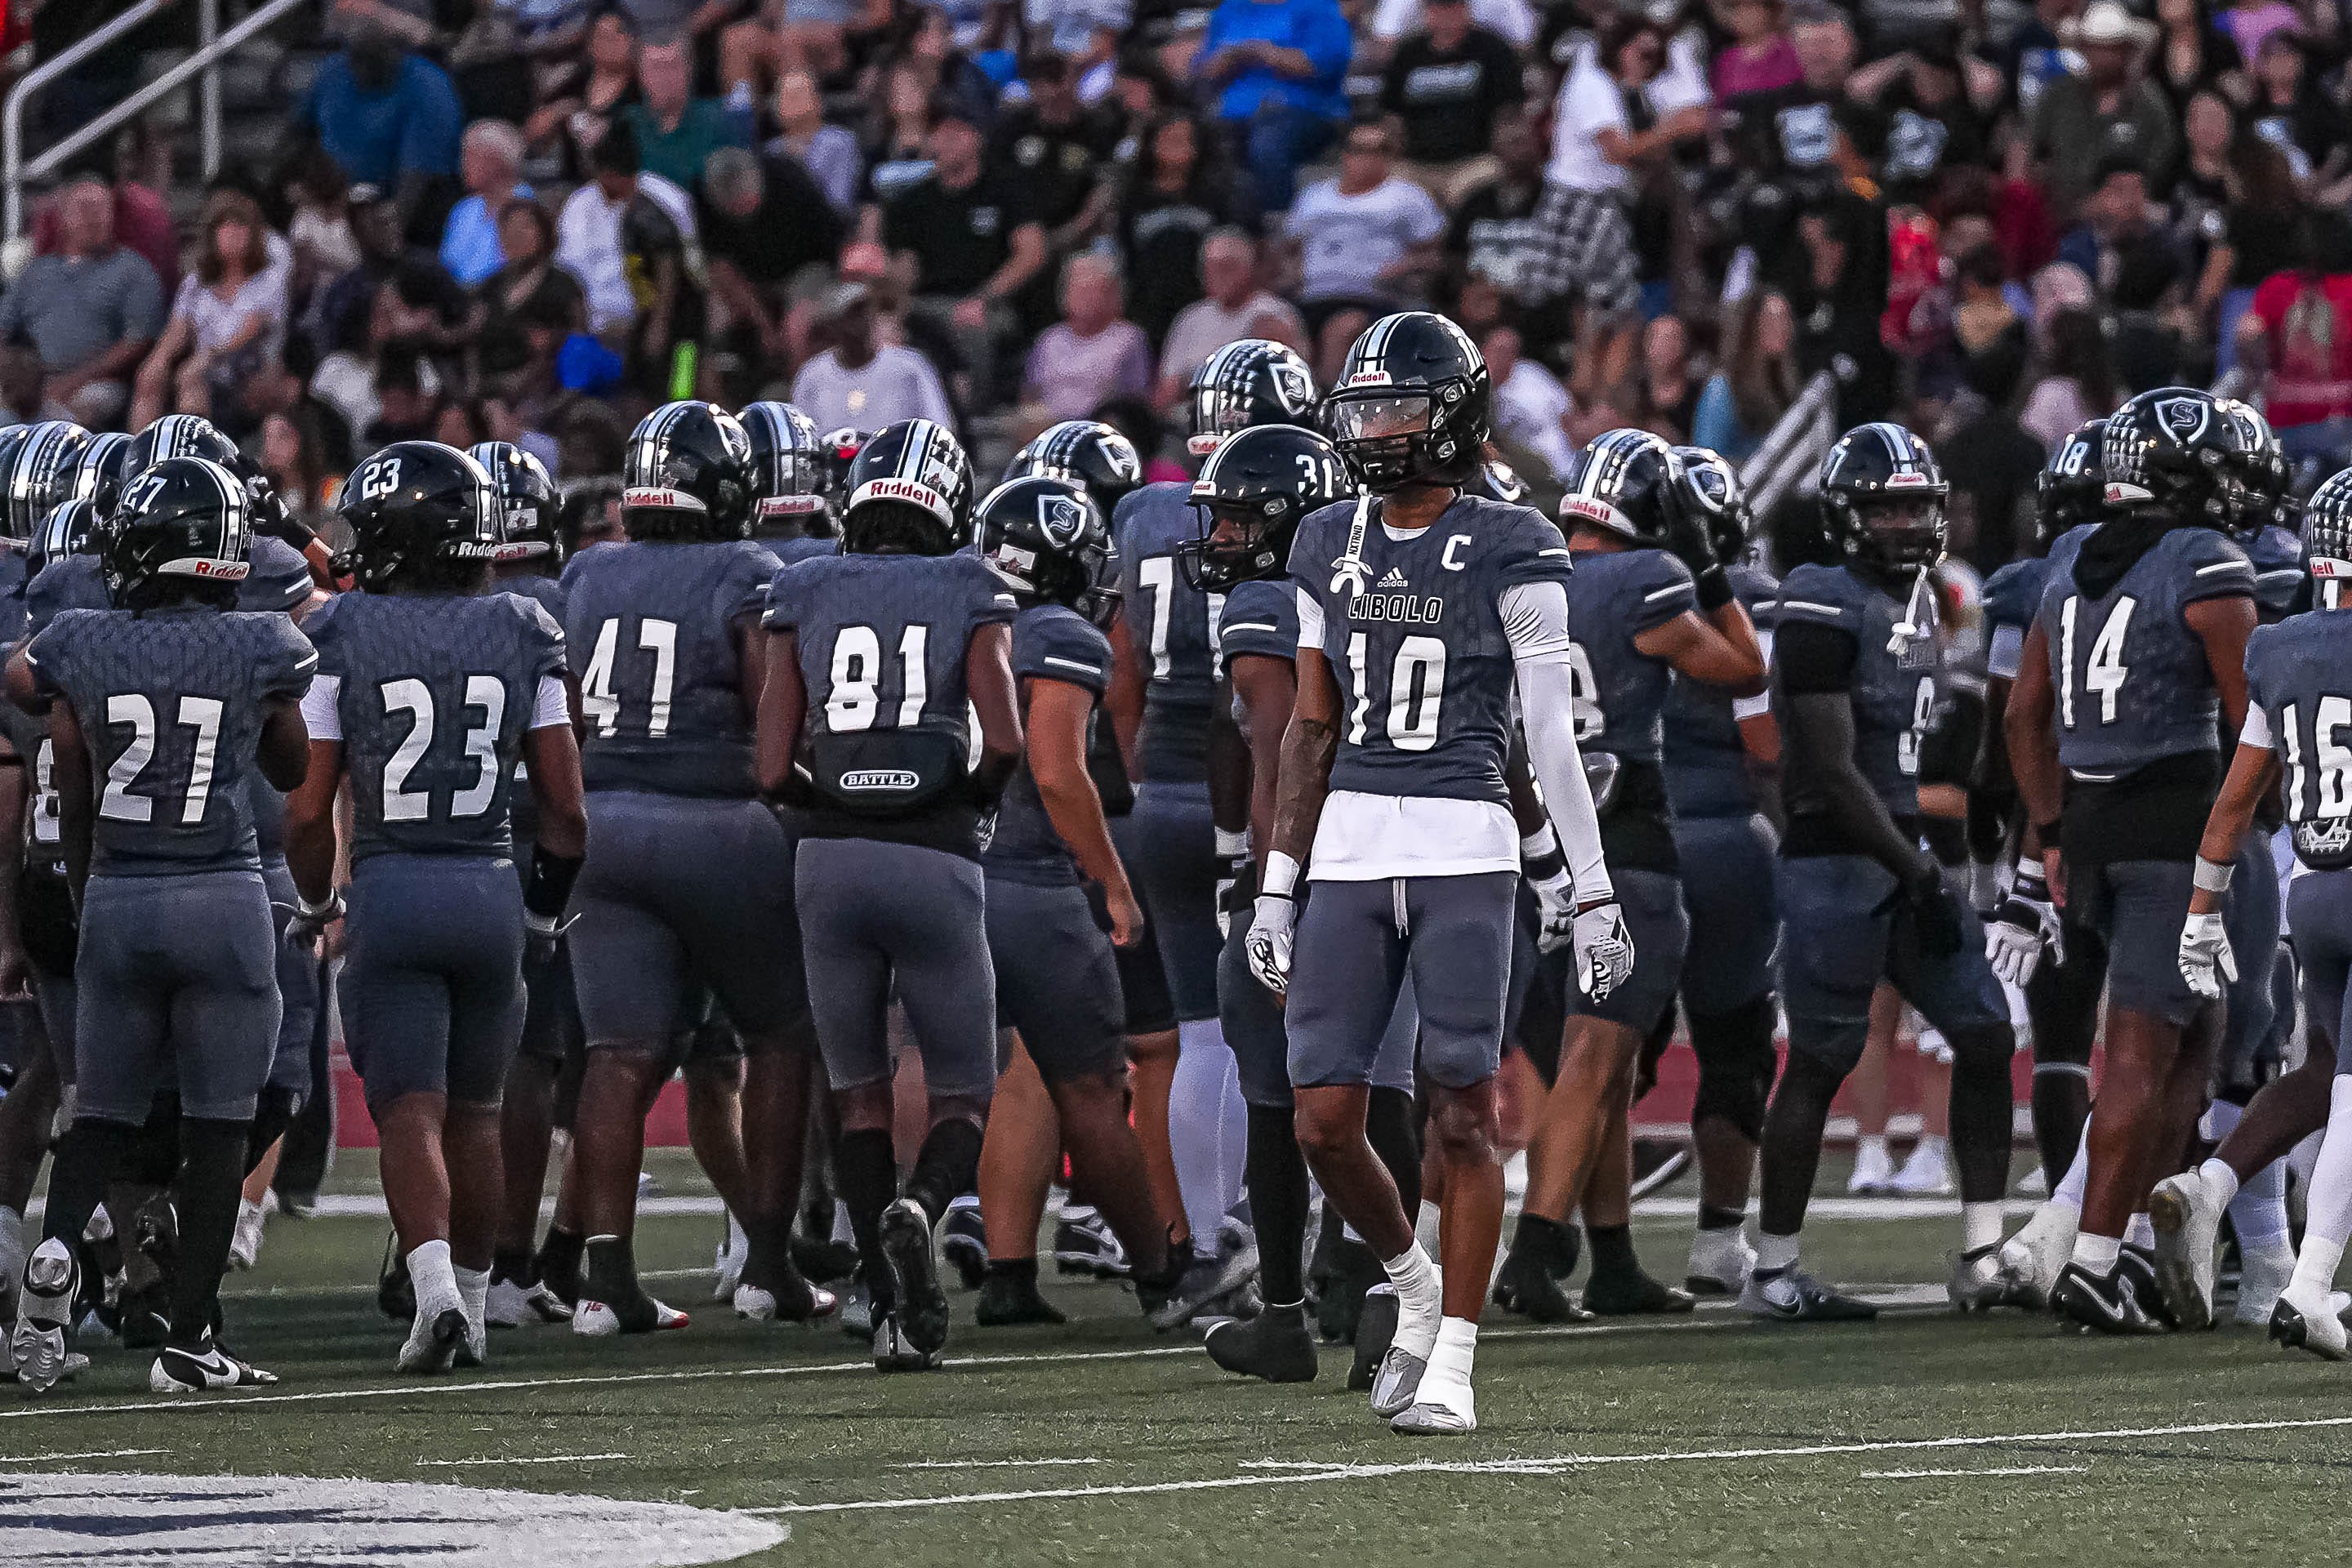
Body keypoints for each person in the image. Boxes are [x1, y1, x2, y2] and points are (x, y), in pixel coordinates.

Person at [1247, 311, 1630, 1433]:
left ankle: (1454, 1360)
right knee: (1323, 1116)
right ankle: (1413, 1283)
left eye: (1397, 408)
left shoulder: (1516, 541)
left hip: (1466, 844)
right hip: (1354, 846)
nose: (1374, 429)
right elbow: (1309, 727)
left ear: (1453, 415)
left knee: (1463, 1115)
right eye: (1362, 409)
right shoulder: (1323, 539)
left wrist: (1588, 884)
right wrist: (1278, 881)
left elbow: (1547, 739)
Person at [5, 456, 314, 1394]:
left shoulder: (82, 638)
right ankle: (190, 1340)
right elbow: (294, 770)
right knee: (220, 1127)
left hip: (117, 899)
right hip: (221, 896)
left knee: (98, 1107)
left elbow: (29, 690)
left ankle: (53, 1264)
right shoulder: (263, 641)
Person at [282, 442, 586, 1374]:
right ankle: (481, 1308)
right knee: (481, 1113)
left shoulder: (340, 635)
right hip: (491, 886)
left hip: (392, 884)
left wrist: (316, 896)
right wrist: (539, 916)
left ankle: (437, 1295)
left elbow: (305, 805)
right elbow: (568, 815)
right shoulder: (524, 625)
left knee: (409, 1111)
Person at [753, 418, 1022, 1370]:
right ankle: (924, 1206)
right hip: (934, 856)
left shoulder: (805, 586)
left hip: (829, 859)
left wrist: (829, 807)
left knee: (859, 1095)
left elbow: (770, 762)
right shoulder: (967, 585)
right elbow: (1008, 741)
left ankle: (888, 1304)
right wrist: (966, 808)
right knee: (965, 1087)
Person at [559, 401, 822, 1336]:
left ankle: (602, 1282)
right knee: (784, 1035)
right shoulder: (748, 569)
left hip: (604, 827)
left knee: (619, 1057)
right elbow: (770, 720)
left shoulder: (588, 570)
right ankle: (769, 1263)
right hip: (718, 825)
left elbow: (570, 714)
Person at [1744, 424, 2018, 1321]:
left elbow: (1916, 748)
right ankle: (1774, 1270)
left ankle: (1983, 1250)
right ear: (1846, 515)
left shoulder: (1924, 602)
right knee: (1821, 1058)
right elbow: (1826, 767)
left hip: (1904, 852)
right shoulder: (1823, 598)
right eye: (1886, 507)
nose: (1905, 523)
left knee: (1982, 1034)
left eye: (1916, 506)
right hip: (1838, 858)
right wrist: (1921, 871)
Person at [2000, 386, 2258, 1331]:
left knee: (2201, 1027)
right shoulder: (2205, 560)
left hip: (2095, 826)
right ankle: (2097, 1260)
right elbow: (2254, 721)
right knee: (2143, 1050)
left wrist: (2052, 832)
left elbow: (2023, 714)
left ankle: (2140, 1243)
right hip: (2173, 826)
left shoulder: (2066, 555)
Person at [1493, 430, 1765, 1323]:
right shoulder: (1648, 579)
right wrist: (1707, 565)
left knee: (1593, 1062)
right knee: (1596, 1054)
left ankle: (1611, 1258)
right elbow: (1742, 666)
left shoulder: (1527, 572)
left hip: (1535, 839)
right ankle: (1536, 1250)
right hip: (1624, 837)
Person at [1107, 337, 1317, 1318]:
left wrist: (1147, 770)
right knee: (1277, 1036)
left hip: (1167, 787)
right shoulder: (1306, 507)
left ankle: (1209, 1244)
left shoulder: (1144, 513)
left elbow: (1122, 676)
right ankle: (1273, 1234)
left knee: (1200, 1031)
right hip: (1261, 779)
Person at [1183, 422, 1396, 1383]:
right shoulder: (1379, 585)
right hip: (1397, 854)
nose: (1221, 539)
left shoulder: (1271, 604)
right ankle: (1388, 1295)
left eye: (1236, 521)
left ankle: (1285, 1312)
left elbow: (1283, 750)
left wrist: (1273, 882)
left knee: (1280, 1100)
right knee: (1387, 1091)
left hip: (1312, 870)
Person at [966, 474, 1183, 1325]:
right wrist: (1113, 881)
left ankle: (1001, 1272)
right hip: (1030, 882)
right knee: (1093, 1086)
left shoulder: (955, 607)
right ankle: (1164, 1277)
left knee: (984, 1079)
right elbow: (1056, 771)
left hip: (946, 868)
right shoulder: (1058, 633)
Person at [2200, 470, 2352, 1356]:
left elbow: (2235, 800)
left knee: (2337, 1082)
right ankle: (2310, 1282)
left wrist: (2199, 912)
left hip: (2313, 884)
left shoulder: (2282, 645)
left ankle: (2312, 1276)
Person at [1655, 448, 1783, 1294]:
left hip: (1616, 837)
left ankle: (1564, 1240)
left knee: (1601, 1053)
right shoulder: (1752, 600)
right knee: (1736, 1045)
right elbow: (1766, 736)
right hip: (1726, 836)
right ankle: (1716, 1240)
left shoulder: (1585, 590)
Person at [1284, 121, 1446, 383]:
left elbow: (1434, 255)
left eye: (1378, 150)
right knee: (1275, 327)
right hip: (1310, 294)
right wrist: (1293, 274)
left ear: (1390, 156)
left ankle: (1328, 407)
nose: (1367, 158)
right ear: (1345, 154)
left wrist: (1399, 268)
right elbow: (1289, 249)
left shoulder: (1406, 197)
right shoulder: (1314, 197)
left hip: (1371, 298)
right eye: (1359, 149)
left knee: (1340, 331)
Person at [0, 178, 164, 431]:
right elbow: (4, 326)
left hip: (97, 383)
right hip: (30, 380)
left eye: (100, 209)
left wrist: (71, 381)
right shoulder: (37, 272)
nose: (93, 218)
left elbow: (138, 341)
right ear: (64, 217)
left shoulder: (134, 271)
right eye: (84, 208)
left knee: (63, 422)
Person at [131, 193, 291, 433]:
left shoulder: (267, 278)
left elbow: (251, 328)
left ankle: (199, 452)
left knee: (192, 376)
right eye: (225, 226)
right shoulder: (197, 283)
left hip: (250, 369)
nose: (233, 233)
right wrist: (157, 362)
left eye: (241, 226)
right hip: (207, 372)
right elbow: (177, 331)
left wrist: (206, 358)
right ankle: (137, 454)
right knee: (151, 376)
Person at [1196, 0, 1354, 216]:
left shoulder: (1318, 7)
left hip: (1304, 109)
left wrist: (1262, 52)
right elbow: (1207, 70)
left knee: (1267, 146)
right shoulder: (1231, 9)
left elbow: (1322, 64)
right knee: (1200, 142)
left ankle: (1275, 224)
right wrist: (1234, 56)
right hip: (1232, 112)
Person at [294, 20, 466, 217]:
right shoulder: (333, 71)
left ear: (398, 53)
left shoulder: (428, 84)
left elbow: (419, 171)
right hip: (332, 197)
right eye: (358, 59)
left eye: (373, 59)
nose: (364, 69)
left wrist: (392, 225)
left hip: (403, 206)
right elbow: (300, 130)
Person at [1377, 0, 1524, 205]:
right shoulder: (1408, 53)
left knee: (1481, 182)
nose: (1445, 16)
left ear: (1465, 10)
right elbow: (1392, 112)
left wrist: (1502, 150)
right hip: (1416, 163)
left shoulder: (1493, 50)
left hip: (1475, 160)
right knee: (1392, 190)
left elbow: (1508, 108)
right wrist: (1394, 152)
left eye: (1453, 8)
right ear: (1427, 13)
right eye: (1438, 9)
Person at [1155, 231, 1306, 410]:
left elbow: (1290, 383)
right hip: (1190, 414)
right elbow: (1166, 389)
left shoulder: (1274, 313)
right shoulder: (1190, 318)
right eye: (1211, 268)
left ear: (1249, 269)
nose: (1218, 276)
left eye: (1227, 268)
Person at [787, 283, 956, 435]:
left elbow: (940, 429)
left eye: (865, 311)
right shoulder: (812, 375)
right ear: (833, 325)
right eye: (852, 315)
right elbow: (801, 439)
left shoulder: (911, 366)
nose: (862, 321)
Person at [1022, 256, 1153, 423]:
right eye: (1078, 289)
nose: (1085, 298)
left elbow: (1137, 399)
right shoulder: (1049, 339)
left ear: (1114, 297)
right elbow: (1029, 394)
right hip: (1048, 425)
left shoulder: (1129, 338)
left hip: (1101, 424)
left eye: (1093, 290)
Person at [622, 38, 748, 194]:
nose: (664, 77)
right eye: (656, 68)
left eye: (672, 66)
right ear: (641, 75)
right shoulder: (627, 124)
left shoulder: (719, 120)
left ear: (689, 70)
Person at [441, 122, 536, 289]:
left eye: (470, 156)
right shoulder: (463, 209)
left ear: (496, 161)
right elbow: (446, 265)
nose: (462, 164)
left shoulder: (526, 209)